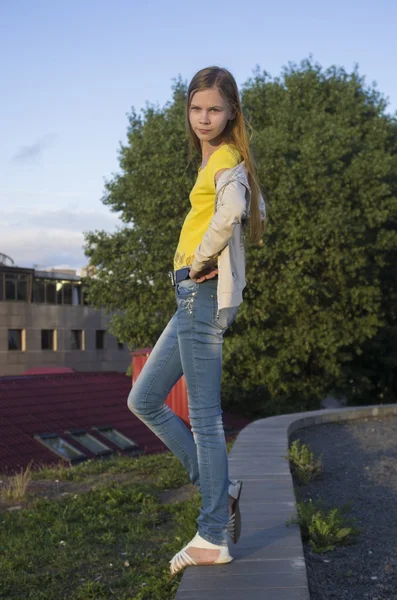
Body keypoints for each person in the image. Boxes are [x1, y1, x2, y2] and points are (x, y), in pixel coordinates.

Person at [127, 65, 266, 579]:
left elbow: (233, 211)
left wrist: (201, 260)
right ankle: (221, 490)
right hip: (187, 296)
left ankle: (212, 535)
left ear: (231, 112)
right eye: (196, 109)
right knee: (142, 399)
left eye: (214, 109)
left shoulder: (227, 158)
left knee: (205, 417)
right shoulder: (214, 157)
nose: (204, 118)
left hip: (198, 294)